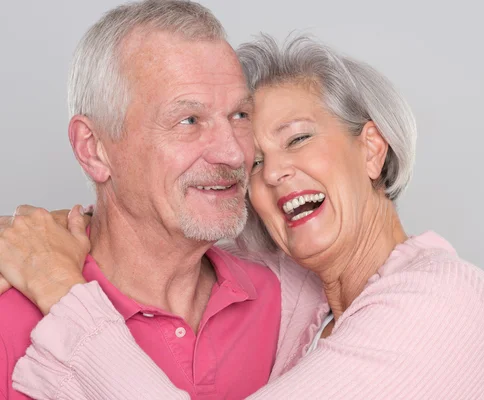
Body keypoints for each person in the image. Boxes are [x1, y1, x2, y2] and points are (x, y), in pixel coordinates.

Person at [0, 28, 484, 400]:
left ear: (372, 149)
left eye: (298, 138)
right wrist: (39, 235)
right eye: (255, 161)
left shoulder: (445, 302)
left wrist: (55, 281)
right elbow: (153, 224)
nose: (272, 173)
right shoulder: (305, 299)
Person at [0, 1, 285, 399]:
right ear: (94, 148)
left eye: (239, 115)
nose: (234, 154)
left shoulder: (278, 298)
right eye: (189, 121)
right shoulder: (10, 321)